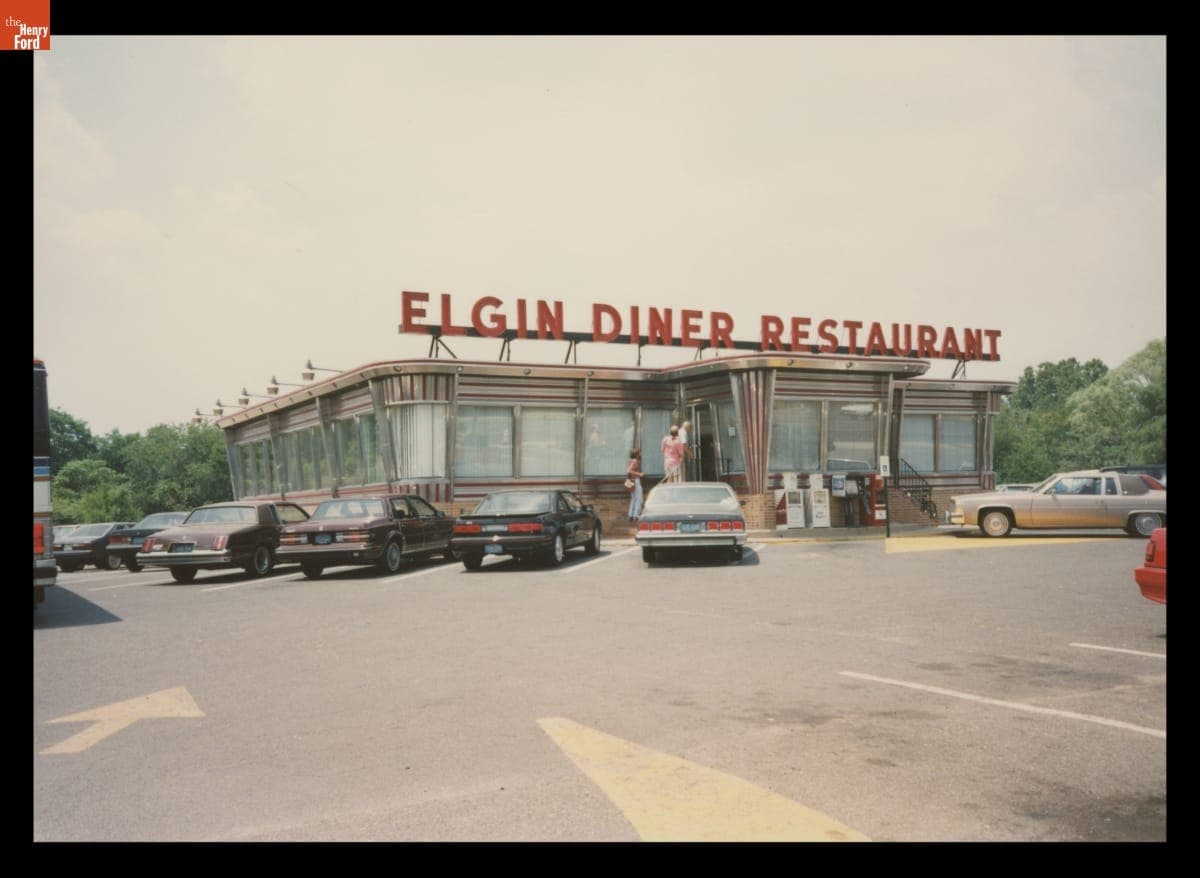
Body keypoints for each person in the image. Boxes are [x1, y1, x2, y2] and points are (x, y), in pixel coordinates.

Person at [626, 448, 644, 521]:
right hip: (636, 481)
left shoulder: (630, 461)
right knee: (639, 499)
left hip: (632, 481)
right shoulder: (635, 461)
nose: (640, 454)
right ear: (636, 454)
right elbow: (629, 471)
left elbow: (629, 472)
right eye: (639, 453)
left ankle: (631, 515)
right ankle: (636, 515)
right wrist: (639, 474)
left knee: (633, 499)